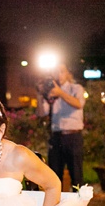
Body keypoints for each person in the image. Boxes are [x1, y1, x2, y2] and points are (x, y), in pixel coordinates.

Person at [36, 62, 86, 191]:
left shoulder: (76, 88)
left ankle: (78, 205)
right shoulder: (51, 92)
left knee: (76, 173)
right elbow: (42, 113)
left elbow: (78, 104)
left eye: (61, 71)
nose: (58, 75)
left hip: (73, 136)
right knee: (54, 174)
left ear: (68, 74)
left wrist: (60, 93)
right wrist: (40, 94)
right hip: (57, 136)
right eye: (55, 72)